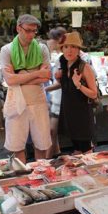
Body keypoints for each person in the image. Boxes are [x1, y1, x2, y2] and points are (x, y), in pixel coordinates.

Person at [0, 14, 51, 163]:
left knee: (42, 144)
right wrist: (37, 73)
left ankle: (40, 173)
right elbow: (9, 80)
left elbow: (46, 77)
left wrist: (19, 75)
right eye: (28, 30)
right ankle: (22, 176)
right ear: (18, 28)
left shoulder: (42, 49)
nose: (31, 34)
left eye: (34, 31)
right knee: (17, 145)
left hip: (38, 100)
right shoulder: (6, 50)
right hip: (16, 101)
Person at [58, 32, 97, 154]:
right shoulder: (64, 66)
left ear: (79, 49)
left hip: (82, 115)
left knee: (86, 151)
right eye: (66, 46)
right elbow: (66, 87)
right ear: (62, 49)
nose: (69, 50)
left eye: (73, 46)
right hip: (69, 113)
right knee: (76, 151)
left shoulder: (84, 67)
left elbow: (94, 94)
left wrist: (78, 85)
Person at [44, 27, 67, 158]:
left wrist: (44, 90)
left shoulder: (61, 58)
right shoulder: (58, 57)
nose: (49, 42)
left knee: (51, 130)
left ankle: (46, 159)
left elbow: (60, 83)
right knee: (53, 131)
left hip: (59, 99)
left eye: (51, 40)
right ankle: (56, 152)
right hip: (55, 98)